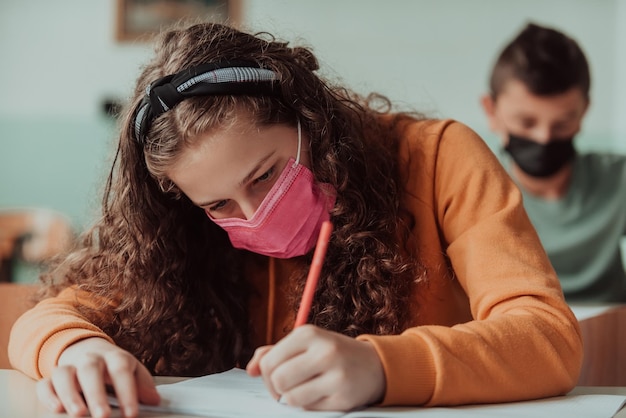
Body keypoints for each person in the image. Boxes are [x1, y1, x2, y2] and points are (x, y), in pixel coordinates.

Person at [9, 22, 582, 418]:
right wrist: (75, 350)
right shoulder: (176, 232)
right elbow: (48, 319)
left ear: (312, 121)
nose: (255, 216)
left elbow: (548, 338)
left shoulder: (438, 159)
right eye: (218, 206)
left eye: (264, 175)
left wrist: (383, 368)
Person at [481, 22, 626, 302]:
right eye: (526, 122)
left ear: (583, 112)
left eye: (562, 123)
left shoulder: (618, 180)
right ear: (491, 110)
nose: (544, 137)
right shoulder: (477, 195)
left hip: (613, 336)